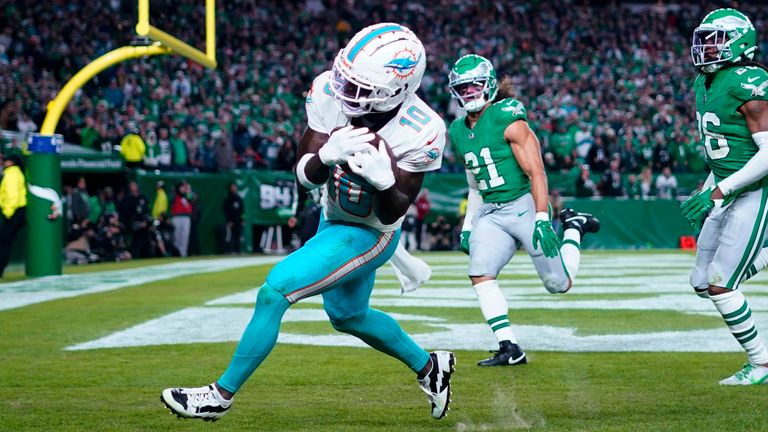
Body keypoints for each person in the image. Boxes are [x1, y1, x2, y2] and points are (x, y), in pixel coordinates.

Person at [161, 23, 455, 421]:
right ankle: (429, 367)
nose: (346, 93)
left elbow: (393, 210)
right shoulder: (329, 92)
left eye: (361, 89)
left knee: (275, 291)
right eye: (346, 81)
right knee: (348, 316)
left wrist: (384, 180)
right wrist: (326, 155)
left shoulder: (423, 129)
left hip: (372, 231)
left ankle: (219, 396)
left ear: (397, 90)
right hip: (332, 215)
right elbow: (302, 179)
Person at [448, 54, 600, 366]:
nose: (468, 94)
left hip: (522, 206)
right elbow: (475, 185)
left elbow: (537, 173)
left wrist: (543, 217)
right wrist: (467, 226)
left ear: (489, 85)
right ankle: (510, 347)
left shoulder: (509, 118)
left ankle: (575, 226)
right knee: (479, 272)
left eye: (474, 86)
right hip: (491, 212)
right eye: (462, 88)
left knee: (559, 285)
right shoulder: (457, 131)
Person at [681, 8, 768, 385]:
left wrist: (720, 191)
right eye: (704, 38)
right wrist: (706, 191)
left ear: (739, 42)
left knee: (721, 284)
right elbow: (722, 152)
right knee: (701, 284)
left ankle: (762, 364)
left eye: (714, 39)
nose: (705, 47)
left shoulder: (750, 81)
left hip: (753, 191)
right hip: (724, 185)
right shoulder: (704, 82)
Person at [0, 154, 26, 277]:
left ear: (11, 162)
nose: (4, 162)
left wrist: (8, 213)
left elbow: (12, 195)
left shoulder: (11, 175)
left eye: (6, 160)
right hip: (17, 212)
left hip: (13, 212)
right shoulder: (17, 173)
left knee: (4, 242)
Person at [170, 181, 193, 257]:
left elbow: (191, 198)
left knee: (185, 236)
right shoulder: (175, 195)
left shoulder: (187, 196)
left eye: (184, 187)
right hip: (176, 217)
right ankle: (176, 253)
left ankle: (183, 253)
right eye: (182, 187)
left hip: (186, 217)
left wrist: (188, 190)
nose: (183, 188)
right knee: (176, 236)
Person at [222, 182, 244, 254]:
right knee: (230, 237)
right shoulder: (227, 199)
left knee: (238, 236)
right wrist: (229, 221)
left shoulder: (238, 198)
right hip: (231, 222)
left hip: (238, 221)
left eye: (234, 187)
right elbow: (226, 211)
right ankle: (229, 250)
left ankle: (238, 250)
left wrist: (242, 220)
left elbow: (242, 210)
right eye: (232, 187)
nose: (233, 188)